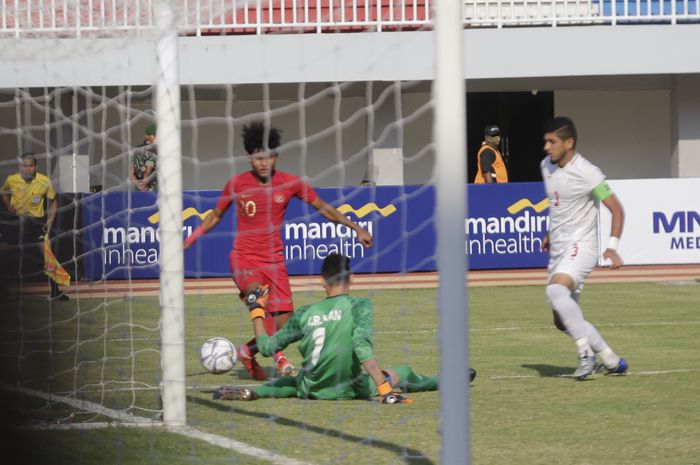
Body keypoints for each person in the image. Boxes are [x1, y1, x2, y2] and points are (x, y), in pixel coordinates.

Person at [184, 121, 374, 381]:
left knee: (285, 323)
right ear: (250, 157)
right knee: (255, 295)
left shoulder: (291, 183)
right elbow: (215, 216)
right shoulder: (236, 184)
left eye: (269, 157)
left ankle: (248, 351)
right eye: (258, 157)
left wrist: (355, 227)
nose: (263, 163)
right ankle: (277, 355)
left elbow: (324, 208)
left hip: (274, 261)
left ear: (276, 157)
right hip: (244, 256)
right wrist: (187, 241)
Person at [212, 253, 469, 402]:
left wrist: (256, 309)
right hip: (349, 389)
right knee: (404, 371)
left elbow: (267, 348)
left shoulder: (306, 313)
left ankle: (253, 393)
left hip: (312, 389)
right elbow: (362, 347)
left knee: (294, 381)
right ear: (351, 279)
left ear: (323, 281)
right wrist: (384, 389)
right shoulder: (360, 306)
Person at [540, 116, 628, 380]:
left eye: (551, 142)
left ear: (569, 143)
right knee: (561, 319)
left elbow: (616, 209)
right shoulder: (546, 166)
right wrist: (550, 234)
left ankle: (585, 354)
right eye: (545, 141)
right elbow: (559, 206)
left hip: (583, 244)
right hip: (560, 249)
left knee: (556, 289)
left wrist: (612, 247)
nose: (546, 147)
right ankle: (611, 360)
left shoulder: (588, 172)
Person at [1, 153, 68, 301]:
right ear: (20, 167)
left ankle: (56, 291)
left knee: (48, 254)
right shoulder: (11, 180)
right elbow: (4, 192)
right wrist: (8, 205)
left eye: (30, 166)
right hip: (16, 223)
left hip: (35, 224)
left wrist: (50, 221)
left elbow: (54, 201)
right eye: (25, 166)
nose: (28, 169)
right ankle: (3, 289)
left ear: (35, 167)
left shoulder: (44, 181)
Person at [129, 124, 158, 192]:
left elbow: (131, 173)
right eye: (154, 135)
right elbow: (147, 172)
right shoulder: (153, 150)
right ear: (146, 136)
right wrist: (143, 187)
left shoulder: (136, 149)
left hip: (137, 190)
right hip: (150, 190)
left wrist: (139, 185)